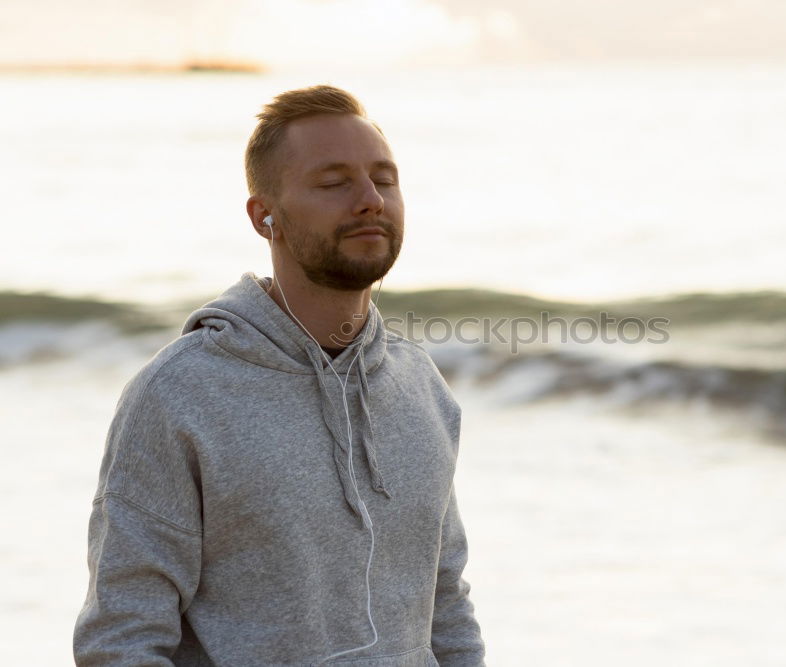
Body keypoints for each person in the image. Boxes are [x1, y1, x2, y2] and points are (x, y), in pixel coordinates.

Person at [73, 85, 487, 666]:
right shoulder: (180, 395)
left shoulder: (419, 385)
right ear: (264, 215)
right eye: (334, 182)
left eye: (384, 179)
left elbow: (444, 605)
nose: (370, 199)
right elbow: (122, 637)